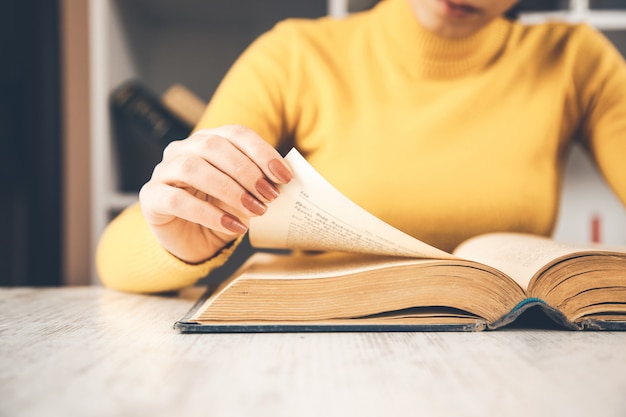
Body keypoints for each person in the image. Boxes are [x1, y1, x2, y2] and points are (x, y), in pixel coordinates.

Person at [96, 0, 626, 293]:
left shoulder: (574, 59)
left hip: (518, 351)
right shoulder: (296, 54)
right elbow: (117, 253)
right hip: (324, 352)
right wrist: (180, 240)